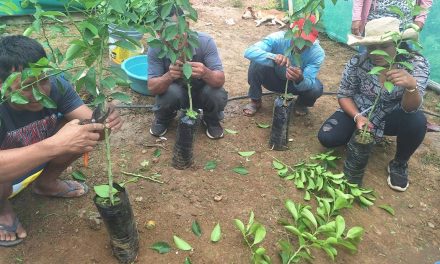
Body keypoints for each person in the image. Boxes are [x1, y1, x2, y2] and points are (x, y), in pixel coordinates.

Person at [0, 35, 123, 246]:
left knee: (80, 131)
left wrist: (104, 123)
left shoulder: (57, 85)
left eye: (44, 80)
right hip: (6, 170)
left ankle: (46, 184)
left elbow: (93, 128)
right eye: (28, 87)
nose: (41, 92)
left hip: (32, 156)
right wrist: (56, 144)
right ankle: (2, 210)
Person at [318, 17, 430, 192]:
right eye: (371, 47)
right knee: (328, 138)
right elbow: (345, 95)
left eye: (384, 47)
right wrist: (357, 116)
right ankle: (358, 136)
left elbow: (410, 108)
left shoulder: (414, 64)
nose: (376, 53)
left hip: (392, 117)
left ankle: (399, 163)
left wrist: (411, 86)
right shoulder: (358, 62)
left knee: (416, 120)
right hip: (361, 111)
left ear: (398, 43)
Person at [148, 8, 227, 139]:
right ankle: (163, 118)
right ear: (159, 33)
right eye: (167, 31)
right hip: (176, 93)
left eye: (178, 29)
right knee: (169, 93)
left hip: (202, 92)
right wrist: (168, 76)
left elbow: (220, 80)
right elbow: (152, 88)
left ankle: (211, 120)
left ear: (187, 27)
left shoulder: (204, 42)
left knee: (216, 93)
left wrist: (205, 73)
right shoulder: (156, 47)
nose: (174, 36)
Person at [242, 15, 324, 117]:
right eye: (299, 39)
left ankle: (301, 103)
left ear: (315, 38)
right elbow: (249, 52)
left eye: (307, 41)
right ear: (290, 31)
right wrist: (273, 58)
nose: (302, 45)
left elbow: (308, 82)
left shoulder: (317, 53)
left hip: (295, 87)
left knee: (316, 88)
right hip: (273, 80)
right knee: (256, 63)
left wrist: (299, 78)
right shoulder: (278, 38)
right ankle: (255, 100)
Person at [351, 0, 432, 36]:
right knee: (368, 62)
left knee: (401, 63)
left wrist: (420, 19)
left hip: (403, 28)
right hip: (373, 26)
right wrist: (356, 17)